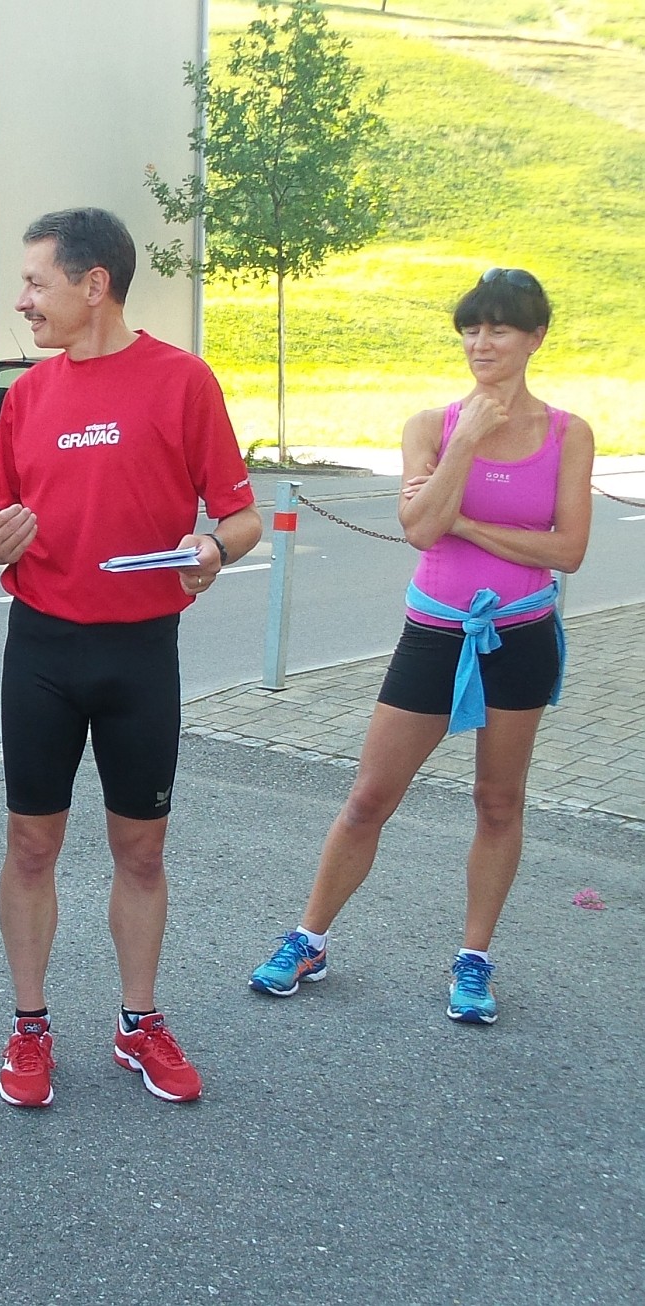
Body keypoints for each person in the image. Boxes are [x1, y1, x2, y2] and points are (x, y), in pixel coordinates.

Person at [0, 207, 261, 1108]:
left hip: (142, 653)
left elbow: (240, 517)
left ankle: (137, 1025)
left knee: (141, 851)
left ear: (93, 283)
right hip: (43, 650)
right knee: (31, 846)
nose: (22, 300)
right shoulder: (27, 394)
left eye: (35, 282)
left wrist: (215, 551)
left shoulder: (182, 382)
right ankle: (29, 1031)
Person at [250, 269, 591, 1025]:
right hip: (434, 635)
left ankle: (474, 959)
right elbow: (419, 529)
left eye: (500, 328)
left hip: (520, 635)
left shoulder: (569, 433)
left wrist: (466, 522)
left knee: (497, 801)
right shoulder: (430, 426)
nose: (482, 342)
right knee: (370, 795)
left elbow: (567, 550)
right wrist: (466, 443)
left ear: (535, 337)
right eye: (472, 327)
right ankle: (309, 938)